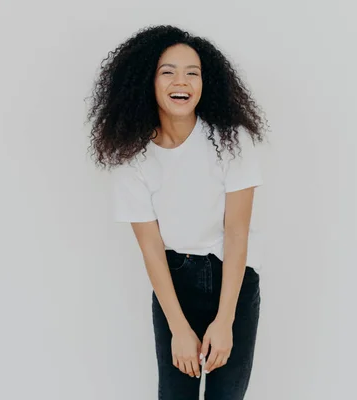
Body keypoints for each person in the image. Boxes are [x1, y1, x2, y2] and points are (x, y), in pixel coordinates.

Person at [87, 25, 267, 400]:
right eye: (167, 71)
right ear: (146, 81)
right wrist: (179, 329)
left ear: (206, 82)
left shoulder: (232, 141)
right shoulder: (131, 157)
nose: (180, 81)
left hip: (231, 281)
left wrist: (225, 319)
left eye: (192, 72)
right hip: (173, 284)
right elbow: (151, 247)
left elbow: (236, 232)